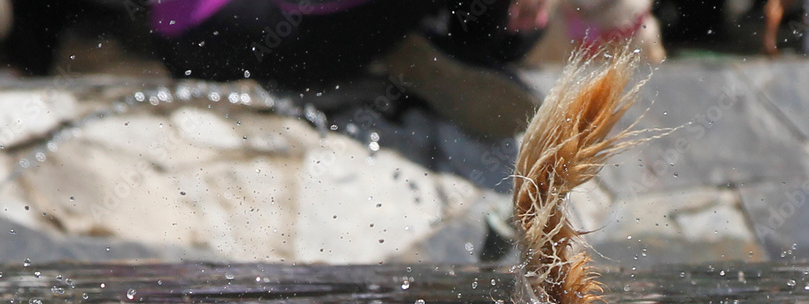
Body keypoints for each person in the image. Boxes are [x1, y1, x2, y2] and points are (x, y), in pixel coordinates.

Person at [150, 0, 553, 138]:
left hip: (186, 38)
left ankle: (426, 48)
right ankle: (431, 51)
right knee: (507, 23)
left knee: (517, 24)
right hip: (261, 28)